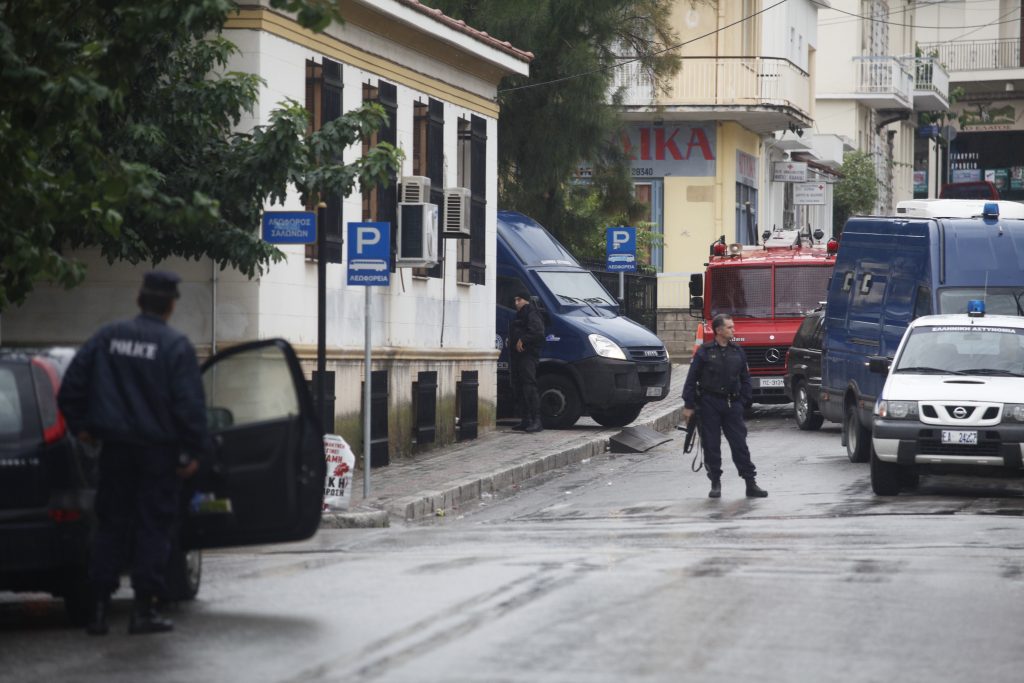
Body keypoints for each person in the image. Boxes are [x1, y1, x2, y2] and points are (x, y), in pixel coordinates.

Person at [58, 271, 211, 636]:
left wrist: (83, 428)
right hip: (159, 455)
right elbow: (190, 407)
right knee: (153, 529)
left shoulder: (108, 337)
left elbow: (71, 387)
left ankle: (97, 610)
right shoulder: (175, 346)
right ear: (172, 304)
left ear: (139, 299)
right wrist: (193, 452)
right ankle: (144, 610)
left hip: (115, 452)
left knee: (111, 527)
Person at [682, 314, 767, 499]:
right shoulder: (704, 352)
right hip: (709, 403)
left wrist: (744, 400)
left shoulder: (737, 351)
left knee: (740, 445)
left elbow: (745, 378)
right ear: (719, 330)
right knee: (711, 445)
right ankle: (715, 483)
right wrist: (688, 405)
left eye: (733, 327)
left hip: (732, 404)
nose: (733, 330)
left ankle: (750, 483)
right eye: (729, 327)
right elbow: (691, 379)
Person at [508, 291, 545, 433]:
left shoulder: (531, 313)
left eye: (519, 299)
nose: (516, 302)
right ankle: (526, 419)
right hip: (518, 356)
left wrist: (523, 340)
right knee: (519, 387)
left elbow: (538, 333)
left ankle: (536, 420)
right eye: (515, 300)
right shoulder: (521, 314)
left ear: (526, 301)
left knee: (529, 386)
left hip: (528, 355)